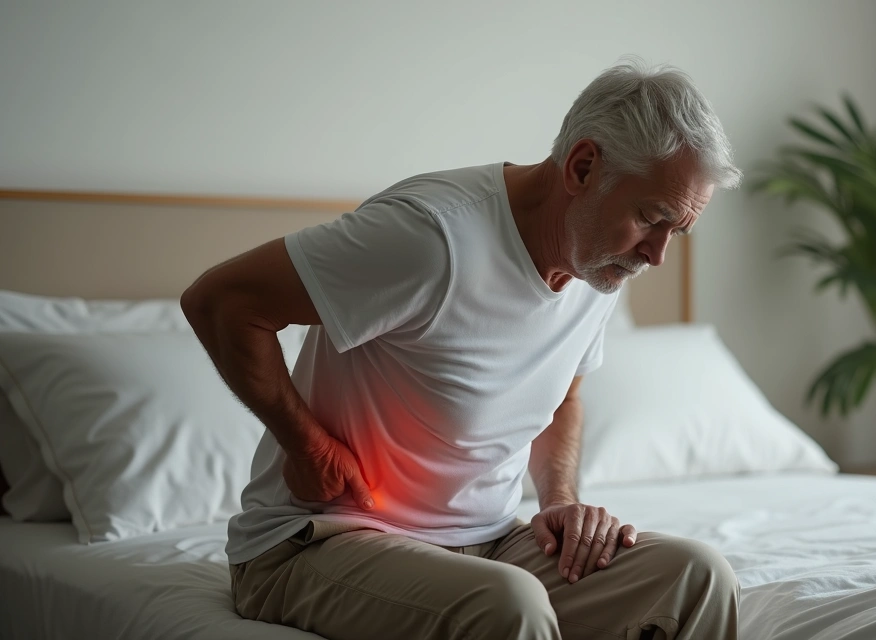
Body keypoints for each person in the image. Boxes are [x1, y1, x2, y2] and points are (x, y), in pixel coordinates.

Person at [182, 58, 744, 640]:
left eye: (676, 231)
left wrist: (559, 500)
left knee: (699, 576)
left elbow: (564, 394)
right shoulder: (431, 236)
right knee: (509, 605)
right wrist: (309, 446)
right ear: (582, 167)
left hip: (490, 544)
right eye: (651, 219)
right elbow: (222, 302)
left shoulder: (597, 263)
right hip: (321, 539)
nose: (656, 255)